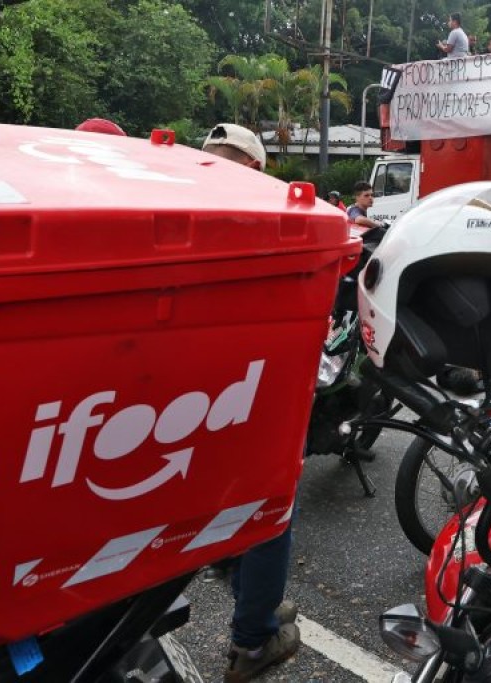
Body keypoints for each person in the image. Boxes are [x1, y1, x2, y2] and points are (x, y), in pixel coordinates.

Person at [200, 123, 300, 683]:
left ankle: (249, 598)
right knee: (269, 511)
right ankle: (253, 638)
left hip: (175, 398)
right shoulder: (270, 215)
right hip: (254, 389)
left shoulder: (174, 205)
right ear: (258, 168)